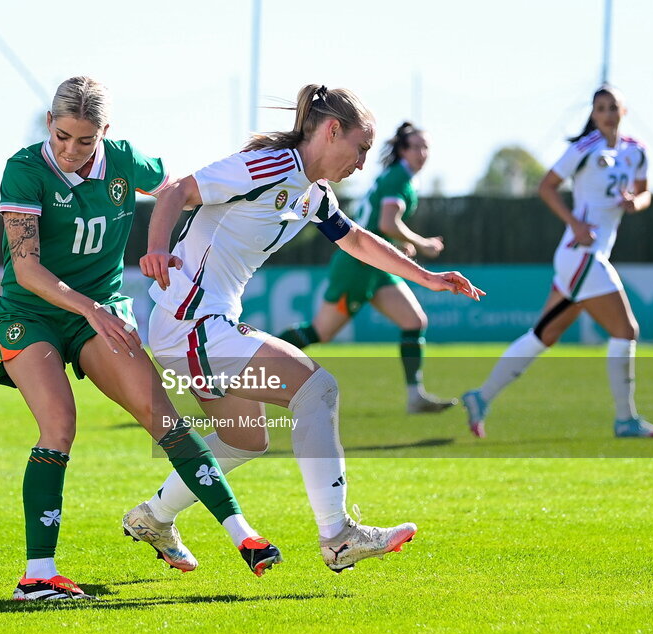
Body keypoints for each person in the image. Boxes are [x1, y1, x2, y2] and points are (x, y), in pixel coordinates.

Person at [121, 84, 483, 574]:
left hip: (202, 324)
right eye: (359, 148)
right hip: (190, 322)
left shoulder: (313, 191)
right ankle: (337, 536)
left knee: (245, 438)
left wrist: (426, 277)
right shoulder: (270, 166)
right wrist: (157, 248)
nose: (360, 162)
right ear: (331, 131)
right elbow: (178, 191)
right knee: (317, 389)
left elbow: (355, 238)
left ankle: (154, 516)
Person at [0, 76, 282, 602]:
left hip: (99, 312)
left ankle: (245, 536)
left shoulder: (127, 162)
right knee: (59, 424)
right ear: (48, 126)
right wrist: (91, 307)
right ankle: (37, 576)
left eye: (85, 140)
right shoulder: (24, 169)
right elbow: (27, 269)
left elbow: (178, 191)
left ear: (106, 130)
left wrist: (170, 242)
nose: (71, 151)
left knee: (164, 419)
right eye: (60, 136)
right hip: (31, 313)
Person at [461, 85, 653, 439]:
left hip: (588, 257)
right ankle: (625, 420)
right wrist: (574, 222)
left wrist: (637, 201)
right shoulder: (583, 149)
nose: (606, 113)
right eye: (600, 108)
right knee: (626, 330)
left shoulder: (637, 151)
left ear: (624, 111)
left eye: (612, 107)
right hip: (582, 254)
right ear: (592, 114)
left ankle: (480, 398)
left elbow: (644, 190)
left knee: (545, 334)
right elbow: (546, 186)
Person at [277, 122, 456, 413]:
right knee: (320, 333)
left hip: (376, 265)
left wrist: (397, 247)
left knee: (414, 322)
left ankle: (415, 396)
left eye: (427, 147)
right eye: (416, 147)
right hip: (359, 265)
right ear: (402, 150)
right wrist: (422, 243)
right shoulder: (399, 177)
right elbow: (386, 223)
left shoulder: (400, 177)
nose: (423, 153)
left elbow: (381, 226)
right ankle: (250, 366)